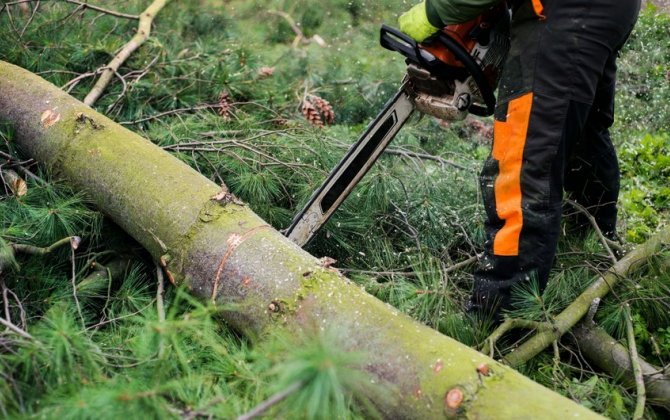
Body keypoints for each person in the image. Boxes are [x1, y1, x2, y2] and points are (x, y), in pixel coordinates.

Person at [399, 0, 641, 318]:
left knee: (525, 159)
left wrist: (435, 12)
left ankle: (501, 313)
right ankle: (588, 252)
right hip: (606, 10)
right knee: (581, 134)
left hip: (564, 10)